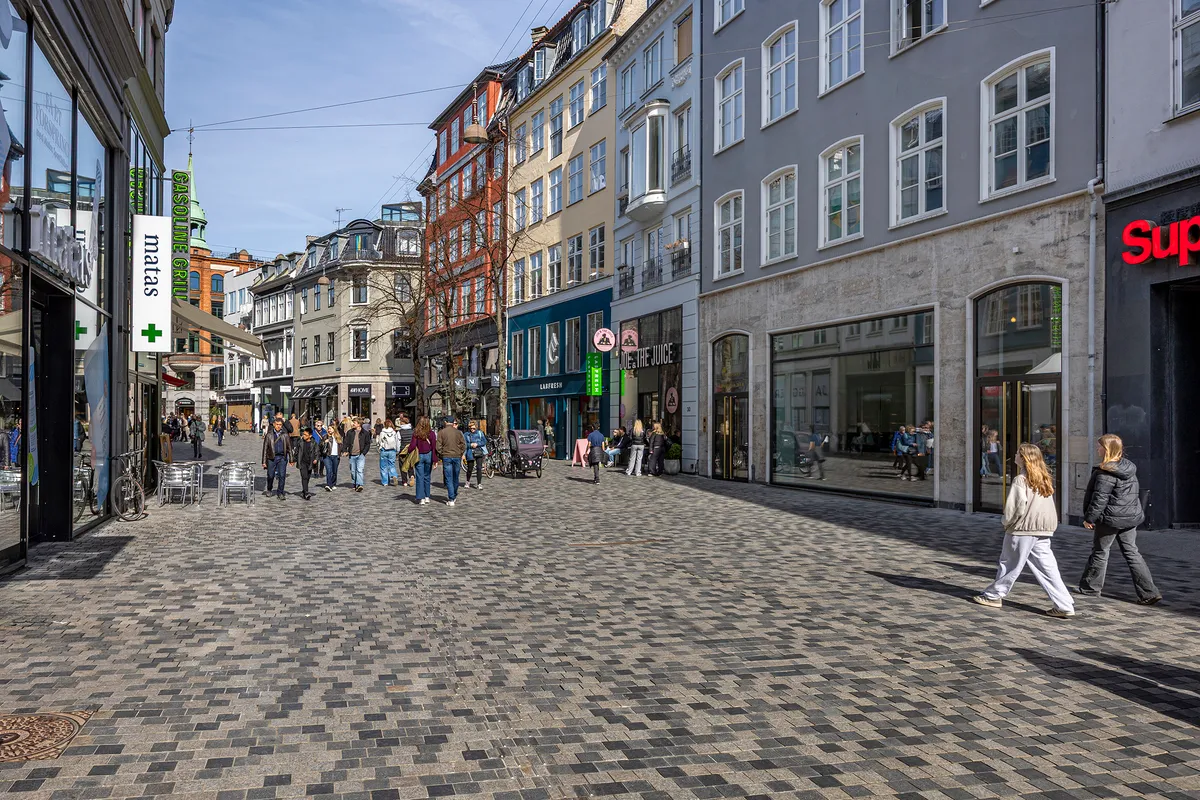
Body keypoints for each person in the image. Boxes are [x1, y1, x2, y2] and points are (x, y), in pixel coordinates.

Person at [971, 443, 1075, 617]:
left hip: (1023, 528)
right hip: (1043, 529)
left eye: (1018, 453)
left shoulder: (1021, 479)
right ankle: (1064, 604)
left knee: (1009, 563)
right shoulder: (1044, 477)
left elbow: (1016, 507)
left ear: (1025, 458)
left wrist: (1006, 522)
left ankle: (994, 595)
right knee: (1048, 568)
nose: (1015, 455)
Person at [1076, 434, 1161, 605]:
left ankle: (1090, 588)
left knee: (1100, 552)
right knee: (1132, 552)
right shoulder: (1128, 468)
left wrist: (1089, 518)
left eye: (1099, 446)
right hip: (1129, 518)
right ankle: (1149, 592)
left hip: (1110, 519)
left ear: (1107, 449)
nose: (1097, 449)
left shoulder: (1106, 473)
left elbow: (1099, 499)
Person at [436, 417, 466, 506]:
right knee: (455, 477)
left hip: (447, 456)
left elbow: (438, 447)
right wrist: (460, 452)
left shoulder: (441, 432)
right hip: (456, 456)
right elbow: (463, 445)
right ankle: (454, 494)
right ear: (453, 422)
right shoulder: (458, 432)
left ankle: (451, 498)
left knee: (449, 478)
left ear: (445, 422)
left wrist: (442, 453)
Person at [261, 418, 289, 500]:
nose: (278, 426)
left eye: (280, 425)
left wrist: (291, 459)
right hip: (271, 457)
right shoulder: (269, 435)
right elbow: (265, 448)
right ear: (274, 424)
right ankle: (269, 489)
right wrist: (264, 461)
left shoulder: (285, 434)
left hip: (282, 458)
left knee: (282, 475)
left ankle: (280, 492)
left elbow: (289, 447)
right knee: (270, 475)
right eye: (277, 424)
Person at [410, 417, 437, 505]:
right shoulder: (431, 433)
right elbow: (434, 447)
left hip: (419, 456)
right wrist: (435, 459)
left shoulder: (416, 433)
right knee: (427, 476)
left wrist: (408, 452)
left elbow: (413, 445)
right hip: (428, 455)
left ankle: (420, 497)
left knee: (419, 477)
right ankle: (427, 496)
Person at [344, 418, 372, 492]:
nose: (353, 424)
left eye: (354, 423)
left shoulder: (365, 433)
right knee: (353, 471)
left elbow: (367, 444)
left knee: (359, 470)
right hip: (352, 454)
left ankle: (359, 485)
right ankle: (354, 483)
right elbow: (346, 442)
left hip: (360, 454)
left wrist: (364, 453)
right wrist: (345, 450)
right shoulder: (350, 432)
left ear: (359, 424)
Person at [295, 427, 320, 500]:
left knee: (307, 478)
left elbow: (317, 452)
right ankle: (306, 492)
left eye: (306, 435)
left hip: (310, 463)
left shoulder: (314, 443)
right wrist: (294, 459)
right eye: (303, 434)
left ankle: (304, 490)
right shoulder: (300, 442)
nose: (304, 436)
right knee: (304, 477)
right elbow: (296, 450)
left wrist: (316, 459)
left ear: (310, 435)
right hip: (302, 462)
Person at [463, 420, 488, 490]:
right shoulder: (466, 434)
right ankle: (468, 481)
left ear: (476, 427)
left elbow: (484, 441)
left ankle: (479, 483)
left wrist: (477, 444)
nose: (472, 430)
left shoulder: (480, 433)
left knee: (479, 468)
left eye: (474, 428)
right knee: (470, 468)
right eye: (471, 428)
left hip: (479, 452)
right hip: (470, 452)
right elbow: (464, 444)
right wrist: (470, 445)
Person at [377, 419, 399, 486]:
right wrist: (397, 450)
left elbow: (380, 441)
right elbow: (397, 441)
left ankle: (385, 482)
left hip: (384, 450)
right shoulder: (394, 432)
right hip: (392, 450)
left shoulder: (382, 432)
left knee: (383, 466)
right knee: (391, 465)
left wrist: (379, 447)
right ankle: (394, 475)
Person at [320, 423, 341, 491]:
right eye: (328, 429)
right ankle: (329, 485)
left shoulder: (338, 437)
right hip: (327, 455)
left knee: (334, 471)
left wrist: (342, 452)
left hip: (336, 456)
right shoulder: (325, 436)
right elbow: (320, 445)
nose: (328, 430)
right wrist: (324, 442)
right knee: (329, 470)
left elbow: (341, 445)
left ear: (334, 429)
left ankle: (333, 483)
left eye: (330, 429)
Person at [396, 414, 414, 487]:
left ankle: (404, 481)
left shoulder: (399, 432)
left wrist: (397, 451)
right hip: (411, 449)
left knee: (402, 465)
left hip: (403, 450)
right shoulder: (412, 431)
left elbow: (398, 442)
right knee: (410, 464)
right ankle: (411, 475)